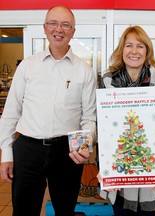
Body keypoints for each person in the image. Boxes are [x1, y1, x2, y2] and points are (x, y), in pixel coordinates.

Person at [0, 6, 97, 216]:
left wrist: (85, 147)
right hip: (27, 149)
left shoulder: (84, 71)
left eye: (65, 25)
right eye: (53, 23)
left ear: (73, 31)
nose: (58, 29)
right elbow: (10, 113)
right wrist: (6, 154)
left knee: (65, 210)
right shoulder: (27, 66)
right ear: (45, 28)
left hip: (67, 151)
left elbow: (89, 118)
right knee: (24, 211)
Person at [98, 25, 155, 215]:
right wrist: (104, 166)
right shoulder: (108, 80)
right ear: (121, 50)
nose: (134, 51)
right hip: (119, 177)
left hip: (152, 176)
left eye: (140, 46)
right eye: (129, 45)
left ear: (147, 51)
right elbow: (101, 126)